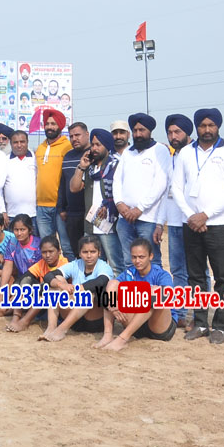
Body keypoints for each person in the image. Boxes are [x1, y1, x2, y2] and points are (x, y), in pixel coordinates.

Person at [171, 108, 224, 344]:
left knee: (222, 278)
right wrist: (192, 216)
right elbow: (177, 188)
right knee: (196, 277)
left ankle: (219, 326)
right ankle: (200, 323)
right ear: (197, 127)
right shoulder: (185, 153)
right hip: (191, 224)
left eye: (211, 125)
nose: (207, 130)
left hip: (219, 225)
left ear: (218, 127)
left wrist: (206, 215)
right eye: (202, 125)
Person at [97, 238, 176, 350]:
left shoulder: (161, 274)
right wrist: (113, 304)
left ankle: (122, 339)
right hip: (136, 325)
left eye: (141, 257)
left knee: (155, 296)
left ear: (150, 256)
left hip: (159, 326)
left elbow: (166, 296)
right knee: (111, 288)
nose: (137, 261)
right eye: (134, 257)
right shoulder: (130, 273)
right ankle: (107, 335)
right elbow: (110, 289)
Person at [112, 113, 169, 267]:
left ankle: (154, 285)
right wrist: (119, 204)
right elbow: (117, 180)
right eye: (135, 130)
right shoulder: (127, 152)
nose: (138, 134)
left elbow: (160, 184)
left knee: (152, 261)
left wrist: (139, 209)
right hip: (125, 218)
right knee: (129, 261)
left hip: (148, 218)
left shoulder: (160, 151)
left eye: (142, 130)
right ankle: (133, 285)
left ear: (149, 131)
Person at [156, 113, 194, 330]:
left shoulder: (195, 155)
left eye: (177, 132)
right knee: (178, 270)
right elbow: (167, 195)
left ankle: (198, 316)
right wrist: (160, 223)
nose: (173, 136)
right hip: (174, 224)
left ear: (187, 132)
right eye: (170, 132)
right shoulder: (171, 158)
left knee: (198, 272)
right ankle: (179, 314)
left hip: (194, 223)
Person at [39, 235, 113, 340]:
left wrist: (76, 289)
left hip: (94, 320)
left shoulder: (104, 266)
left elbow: (101, 281)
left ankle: (61, 330)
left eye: (93, 252)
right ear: (80, 253)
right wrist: (62, 285)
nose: (89, 256)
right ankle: (51, 327)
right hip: (74, 319)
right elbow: (48, 276)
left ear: (99, 253)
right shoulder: (75, 264)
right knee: (56, 281)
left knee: (88, 293)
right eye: (85, 252)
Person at [69, 128, 123, 267]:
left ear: (107, 145)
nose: (94, 148)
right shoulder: (90, 168)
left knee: (116, 265)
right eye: (92, 145)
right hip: (91, 224)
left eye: (98, 145)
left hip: (109, 225)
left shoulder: (116, 165)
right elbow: (74, 188)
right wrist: (81, 167)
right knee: (91, 265)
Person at [34, 109, 72, 252]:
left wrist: (64, 205)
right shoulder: (40, 148)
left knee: (66, 246)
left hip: (60, 207)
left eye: (53, 124)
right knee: (46, 247)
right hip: (41, 206)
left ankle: (69, 268)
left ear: (60, 126)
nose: (50, 127)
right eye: (47, 124)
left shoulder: (67, 147)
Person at [57, 121, 90, 258]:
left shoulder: (93, 154)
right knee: (76, 252)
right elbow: (63, 183)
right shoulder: (68, 156)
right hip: (71, 214)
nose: (74, 139)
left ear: (87, 134)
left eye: (77, 135)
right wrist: (61, 208)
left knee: (91, 251)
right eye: (71, 136)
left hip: (89, 213)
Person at [3, 129, 36, 225]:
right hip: (11, 215)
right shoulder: (4, 161)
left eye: (22, 142)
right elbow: (0, 187)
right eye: (15, 142)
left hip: (34, 214)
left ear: (27, 142)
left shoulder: (36, 159)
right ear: (10, 143)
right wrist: (3, 210)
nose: (19, 145)